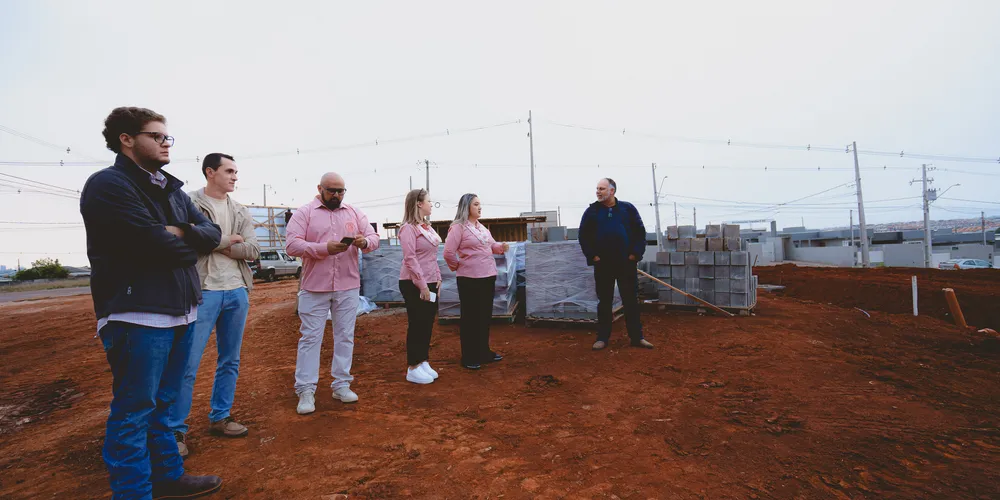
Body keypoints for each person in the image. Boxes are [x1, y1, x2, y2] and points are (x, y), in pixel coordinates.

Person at [80, 107, 223, 499]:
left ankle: (168, 478)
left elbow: (211, 234)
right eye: (156, 136)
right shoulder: (108, 185)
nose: (165, 143)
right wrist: (181, 240)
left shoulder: (172, 189)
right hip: (136, 313)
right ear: (127, 139)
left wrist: (179, 233)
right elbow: (153, 244)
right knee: (134, 410)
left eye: (166, 137)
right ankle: (134, 492)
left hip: (180, 310)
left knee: (165, 405)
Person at [166, 153, 260, 458]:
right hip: (202, 291)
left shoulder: (240, 210)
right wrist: (224, 241)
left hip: (237, 291)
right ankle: (175, 430)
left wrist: (213, 241)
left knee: (230, 360)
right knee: (186, 364)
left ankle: (220, 417)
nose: (235, 176)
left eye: (236, 171)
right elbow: (184, 240)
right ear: (210, 172)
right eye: (229, 171)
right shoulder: (187, 203)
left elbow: (253, 250)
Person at [285, 172, 380, 414]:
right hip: (314, 286)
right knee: (310, 338)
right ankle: (306, 390)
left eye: (341, 191)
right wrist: (323, 249)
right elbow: (291, 245)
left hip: (347, 285)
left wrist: (364, 242)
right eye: (332, 191)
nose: (337, 195)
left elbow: (374, 237)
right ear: (320, 189)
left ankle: (341, 385)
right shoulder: (304, 213)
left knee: (345, 335)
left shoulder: (354, 212)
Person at [578, 178, 653, 351]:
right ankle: (602, 338)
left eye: (602, 189)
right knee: (604, 301)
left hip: (626, 263)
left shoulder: (627, 209)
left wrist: (635, 254)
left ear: (612, 191)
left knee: (631, 301)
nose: (598, 191)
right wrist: (593, 256)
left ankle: (637, 338)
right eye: (597, 188)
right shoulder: (592, 212)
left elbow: (640, 232)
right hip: (603, 264)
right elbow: (584, 236)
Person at [443, 193, 509, 370]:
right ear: (466, 207)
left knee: (484, 316)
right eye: (476, 205)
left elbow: (491, 245)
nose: (480, 208)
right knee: (471, 318)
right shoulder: (458, 228)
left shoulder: (481, 228)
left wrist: (500, 247)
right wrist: (459, 266)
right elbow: (448, 252)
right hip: (469, 279)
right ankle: (469, 356)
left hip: (487, 276)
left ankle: (483, 352)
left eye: (480, 204)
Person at [398, 189, 442, 384]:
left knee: (427, 324)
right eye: (429, 201)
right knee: (417, 324)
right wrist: (422, 285)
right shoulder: (408, 229)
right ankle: (413, 367)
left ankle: (423, 361)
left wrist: (437, 278)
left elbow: (432, 257)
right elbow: (410, 258)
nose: (431, 204)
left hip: (431, 280)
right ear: (418, 204)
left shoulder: (428, 228)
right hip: (413, 282)